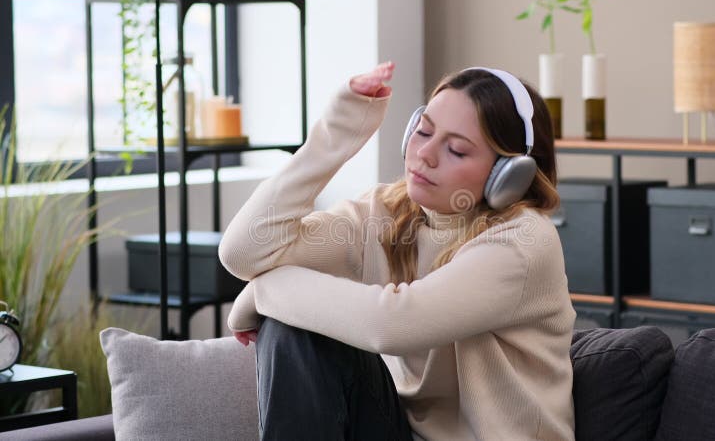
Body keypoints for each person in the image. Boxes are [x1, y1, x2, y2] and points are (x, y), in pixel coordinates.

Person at [219, 61, 576, 440]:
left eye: (456, 150)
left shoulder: (524, 242)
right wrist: (336, 135)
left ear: (509, 175)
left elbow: (392, 324)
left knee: (288, 312)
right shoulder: (387, 212)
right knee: (291, 326)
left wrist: (262, 291)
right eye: (423, 131)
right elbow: (244, 251)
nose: (425, 155)